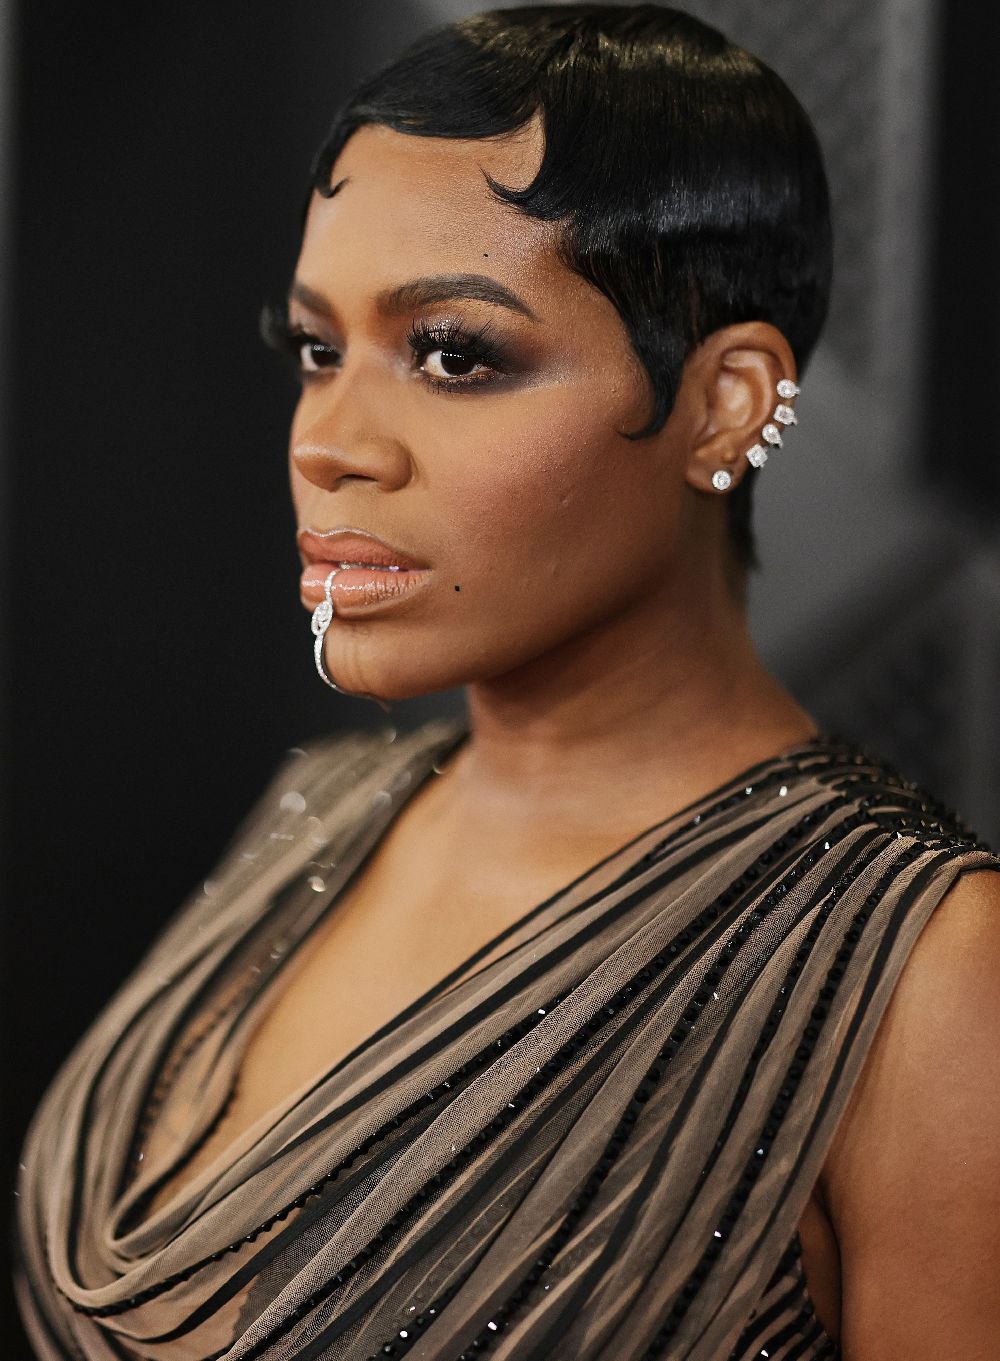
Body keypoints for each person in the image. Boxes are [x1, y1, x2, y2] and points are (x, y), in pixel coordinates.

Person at [13, 6, 1000, 1359]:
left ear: (724, 405)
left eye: (453, 354)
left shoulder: (929, 973)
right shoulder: (319, 809)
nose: (329, 444)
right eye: (317, 349)